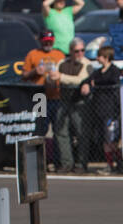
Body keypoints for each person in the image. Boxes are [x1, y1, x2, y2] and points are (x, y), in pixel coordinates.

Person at [54, 38, 92, 172]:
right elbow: (53, 75)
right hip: (64, 101)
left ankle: (82, 164)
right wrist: (51, 77)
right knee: (61, 132)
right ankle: (66, 163)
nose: (80, 54)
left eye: (82, 50)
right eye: (77, 51)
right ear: (70, 51)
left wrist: (61, 77)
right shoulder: (62, 63)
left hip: (79, 103)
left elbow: (80, 80)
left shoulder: (87, 64)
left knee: (82, 133)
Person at [86, 45, 122, 172]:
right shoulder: (97, 72)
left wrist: (98, 84)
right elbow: (89, 80)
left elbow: (113, 81)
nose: (97, 58)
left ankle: (118, 163)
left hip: (111, 110)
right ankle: (110, 163)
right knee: (104, 140)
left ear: (106, 57)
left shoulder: (114, 71)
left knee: (111, 139)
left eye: (100, 56)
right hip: (99, 110)